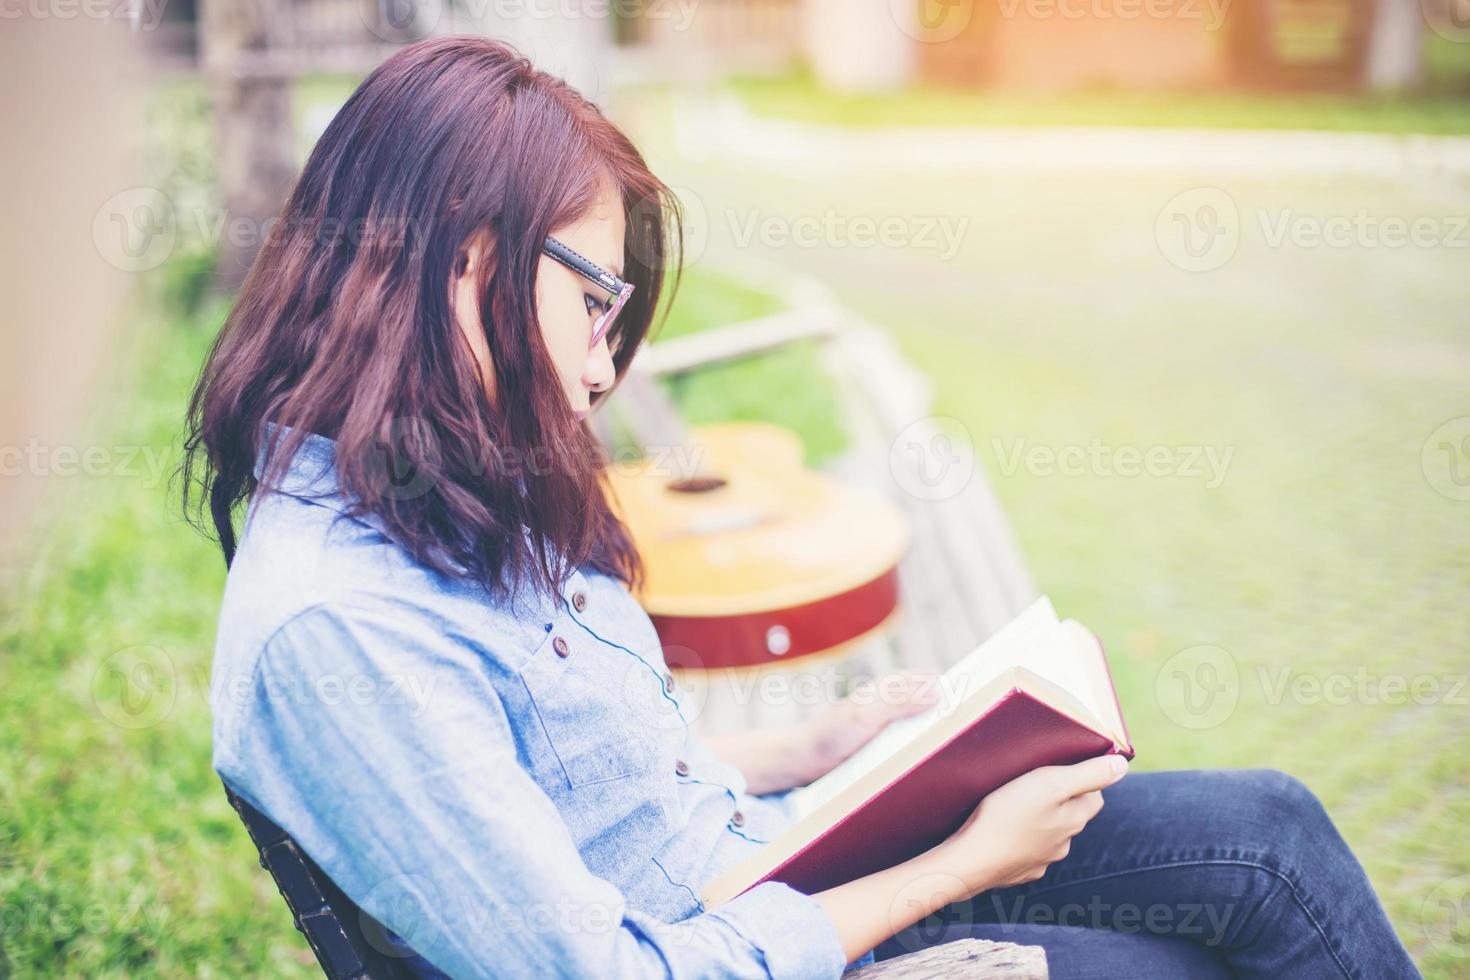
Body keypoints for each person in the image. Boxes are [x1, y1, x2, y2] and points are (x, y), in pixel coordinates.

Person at [185, 35, 1420, 979]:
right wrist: (954, 863)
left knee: (1267, 826)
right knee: (1202, 955)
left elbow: (562, 788)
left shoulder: (433, 490)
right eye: (596, 303)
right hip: (778, 942)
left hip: (773, 860)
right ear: (465, 266)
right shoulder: (338, 629)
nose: (606, 366)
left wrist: (813, 750)